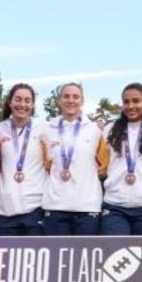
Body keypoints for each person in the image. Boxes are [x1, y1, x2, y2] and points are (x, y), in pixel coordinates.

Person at [98, 83, 142, 235]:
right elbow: (101, 164)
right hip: (114, 204)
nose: (131, 106)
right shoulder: (109, 130)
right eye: (126, 102)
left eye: (136, 101)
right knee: (117, 248)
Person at [41, 83, 104, 235]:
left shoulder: (95, 130)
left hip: (87, 206)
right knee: (56, 251)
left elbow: (103, 166)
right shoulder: (47, 130)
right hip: (55, 206)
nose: (70, 100)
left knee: (86, 252)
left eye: (75, 97)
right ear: (59, 100)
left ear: (82, 101)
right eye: (66, 96)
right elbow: (46, 165)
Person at [0, 84, 48, 236]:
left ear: (33, 105)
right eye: (18, 99)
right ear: (10, 102)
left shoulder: (44, 127)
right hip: (5, 209)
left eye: (27, 100)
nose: (22, 104)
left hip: (36, 208)